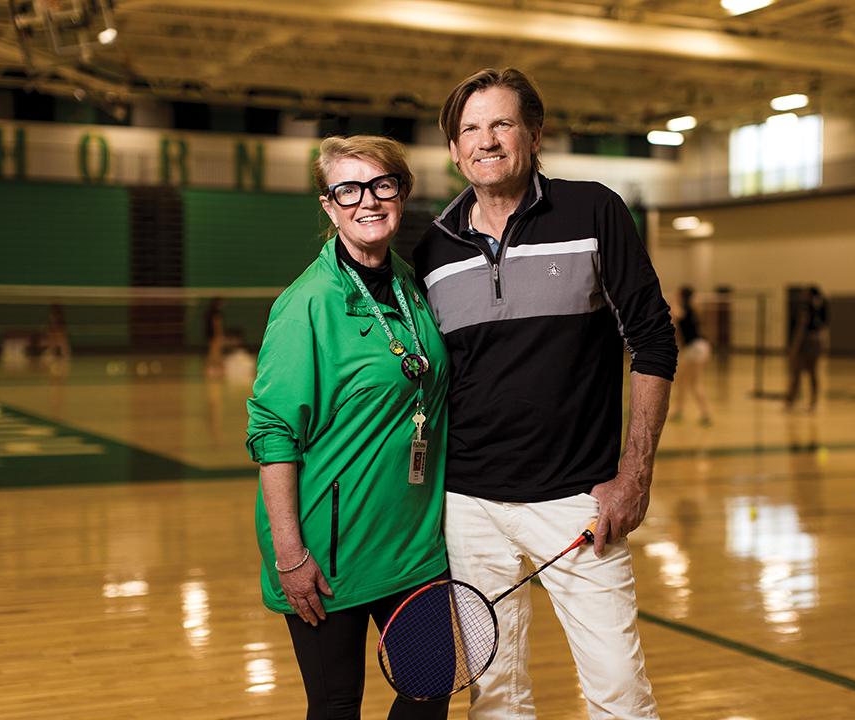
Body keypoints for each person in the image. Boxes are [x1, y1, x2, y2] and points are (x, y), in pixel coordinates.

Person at [413, 68, 677, 720]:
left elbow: (653, 341)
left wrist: (634, 475)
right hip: (470, 507)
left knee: (619, 691)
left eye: (501, 123)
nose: (487, 140)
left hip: (578, 501)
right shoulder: (431, 250)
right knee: (494, 693)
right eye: (470, 129)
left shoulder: (593, 211)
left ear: (534, 132)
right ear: (453, 150)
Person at [246, 135, 451, 720]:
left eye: (383, 184)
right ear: (329, 205)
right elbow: (272, 433)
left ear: (402, 194)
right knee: (337, 707)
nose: (369, 200)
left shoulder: (413, 286)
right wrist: (290, 554)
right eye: (349, 189)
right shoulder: (306, 303)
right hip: (327, 555)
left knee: (429, 695)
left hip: (416, 548)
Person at [670, 286, 712, 425]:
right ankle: (679, 411)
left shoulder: (685, 309)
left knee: (694, 384)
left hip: (696, 348)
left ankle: (706, 414)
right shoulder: (691, 309)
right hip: (693, 348)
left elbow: (674, 313)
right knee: (681, 382)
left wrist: (672, 301)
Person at [786, 285, 828, 410]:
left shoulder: (804, 307)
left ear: (810, 294)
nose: (802, 294)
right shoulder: (817, 307)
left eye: (805, 292)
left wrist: (795, 346)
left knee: (797, 371)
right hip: (816, 340)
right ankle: (812, 402)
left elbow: (801, 327)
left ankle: (791, 400)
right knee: (812, 372)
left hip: (807, 341)